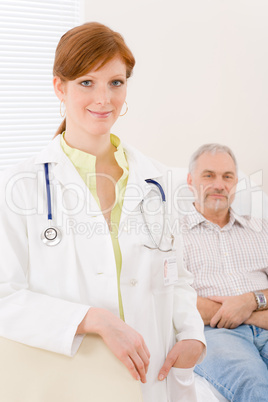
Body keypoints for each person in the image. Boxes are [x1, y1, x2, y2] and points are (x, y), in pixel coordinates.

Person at [0, 22, 206, 402]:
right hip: (71, 379)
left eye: (115, 82)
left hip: (152, 374)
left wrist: (192, 333)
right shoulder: (21, 185)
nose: (104, 98)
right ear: (59, 87)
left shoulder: (157, 179)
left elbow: (176, 276)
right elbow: (5, 296)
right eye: (86, 83)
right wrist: (91, 319)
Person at [180, 143, 268, 401]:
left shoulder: (261, 230)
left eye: (227, 176)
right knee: (254, 386)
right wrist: (254, 315)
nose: (219, 184)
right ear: (190, 180)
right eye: (208, 175)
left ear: (236, 183)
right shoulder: (172, 235)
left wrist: (249, 301)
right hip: (214, 334)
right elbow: (176, 302)